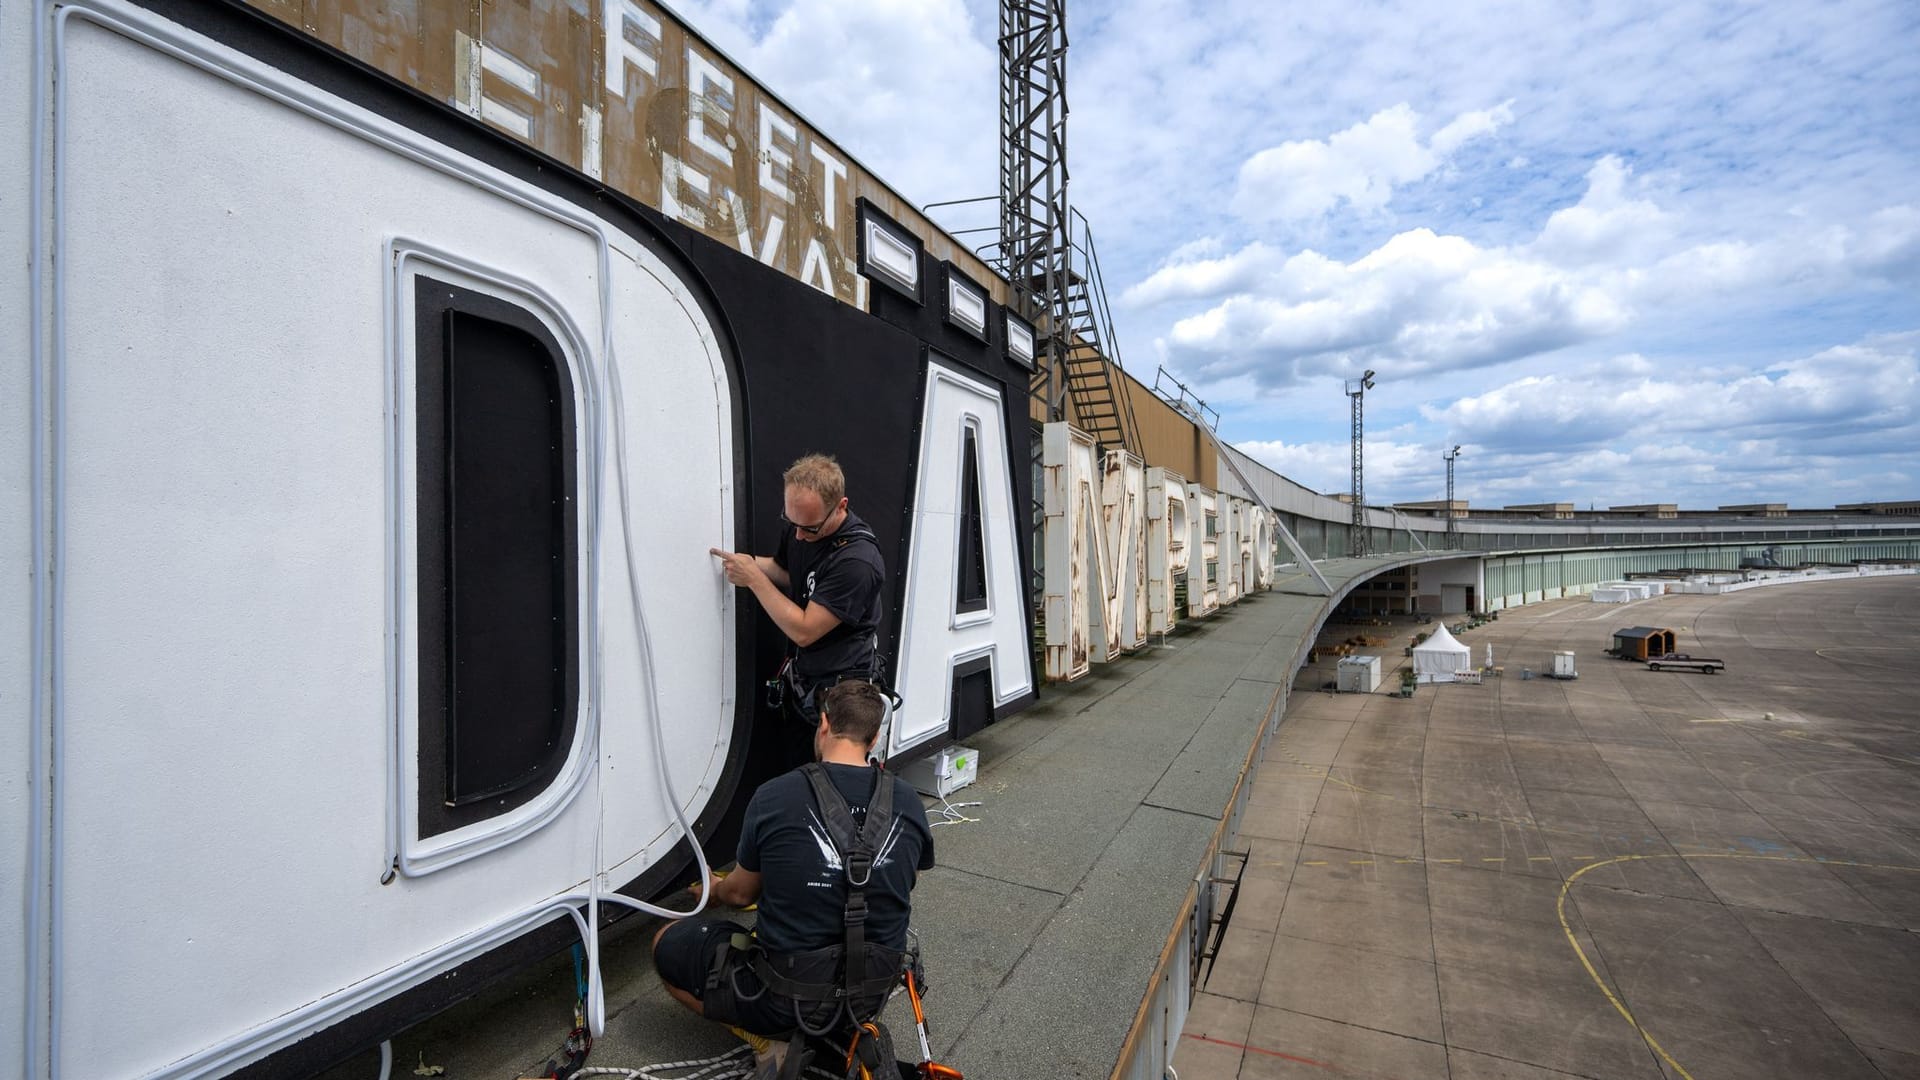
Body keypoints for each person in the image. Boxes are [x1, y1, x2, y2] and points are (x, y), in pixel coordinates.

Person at [651, 681, 935, 1057]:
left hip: (783, 1001)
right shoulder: (909, 800)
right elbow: (907, 878)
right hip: (869, 998)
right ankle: (834, 1037)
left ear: (823, 723)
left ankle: (767, 1040)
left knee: (665, 943)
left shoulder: (774, 795)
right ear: (876, 736)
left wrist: (711, 889)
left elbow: (739, 894)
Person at [711, 453, 886, 727]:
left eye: (810, 528)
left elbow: (805, 631)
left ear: (841, 506)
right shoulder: (799, 524)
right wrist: (746, 563)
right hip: (805, 680)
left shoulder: (858, 562)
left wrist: (754, 578)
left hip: (842, 695)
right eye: (791, 521)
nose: (798, 536)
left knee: (827, 769)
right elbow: (790, 574)